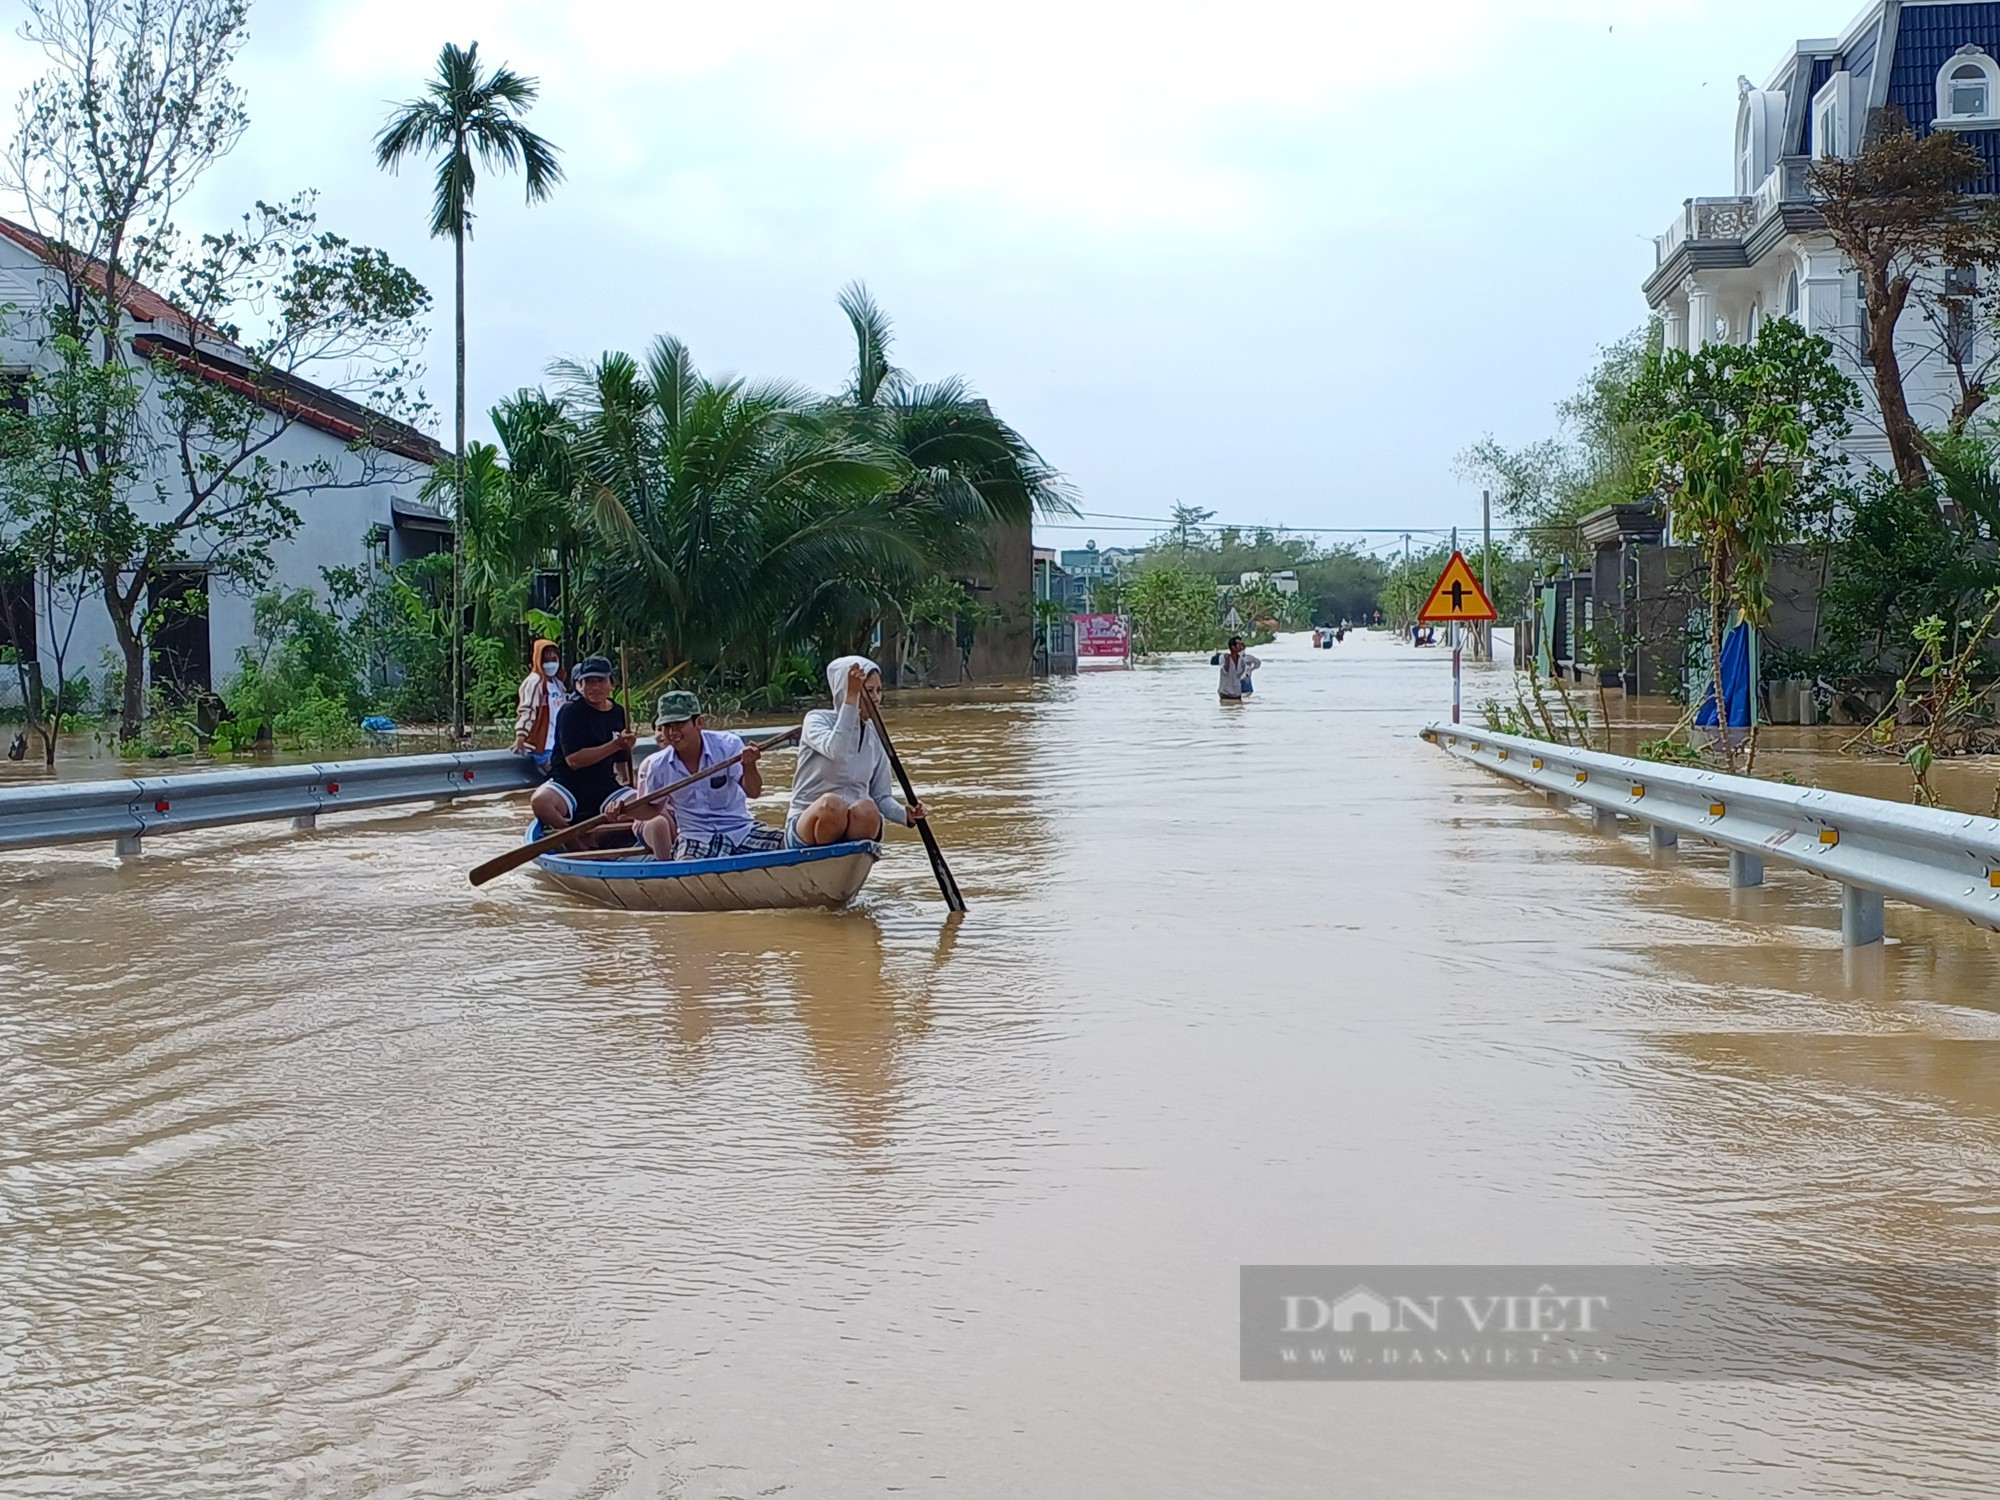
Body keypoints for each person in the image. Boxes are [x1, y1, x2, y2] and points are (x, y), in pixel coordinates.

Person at [787, 655, 926, 848]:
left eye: (879, 691)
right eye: (869, 691)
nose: (876, 698)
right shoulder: (816, 720)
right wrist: (851, 697)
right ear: (845, 691)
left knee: (868, 808)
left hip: (854, 827)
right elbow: (837, 751)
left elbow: (881, 797)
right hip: (807, 825)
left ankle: (845, 862)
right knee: (832, 805)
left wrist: (905, 815)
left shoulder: (875, 735)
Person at [632, 691, 785, 861]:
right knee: (685, 867)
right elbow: (651, 809)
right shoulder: (657, 765)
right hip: (695, 838)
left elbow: (754, 792)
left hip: (740, 830)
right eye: (667, 726)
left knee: (789, 843)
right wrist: (624, 809)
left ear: (699, 722)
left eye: (679, 724)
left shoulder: (728, 745)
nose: (672, 732)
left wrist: (749, 765)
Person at [528, 656, 639, 841]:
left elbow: (621, 762)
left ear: (611, 684)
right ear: (580, 685)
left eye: (600, 681)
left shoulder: (618, 712)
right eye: (589, 682)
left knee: (644, 805)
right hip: (568, 785)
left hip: (605, 786)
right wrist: (616, 744)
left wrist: (630, 786)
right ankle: (577, 843)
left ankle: (597, 836)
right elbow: (574, 761)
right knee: (540, 802)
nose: (595, 687)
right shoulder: (570, 712)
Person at [512, 638, 568, 776]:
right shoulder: (534, 682)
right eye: (546, 660)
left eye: (554, 659)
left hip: (558, 743)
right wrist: (521, 735)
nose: (551, 664)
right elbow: (527, 709)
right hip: (542, 745)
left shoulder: (558, 684)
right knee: (558, 777)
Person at [1211, 635, 1260, 702]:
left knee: (1239, 710)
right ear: (1233, 647)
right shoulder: (1224, 657)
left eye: (1241, 644)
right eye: (1239, 644)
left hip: (1237, 694)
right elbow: (1222, 668)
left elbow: (1241, 675)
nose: (1241, 646)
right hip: (1225, 694)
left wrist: (1249, 671)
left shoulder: (1242, 660)